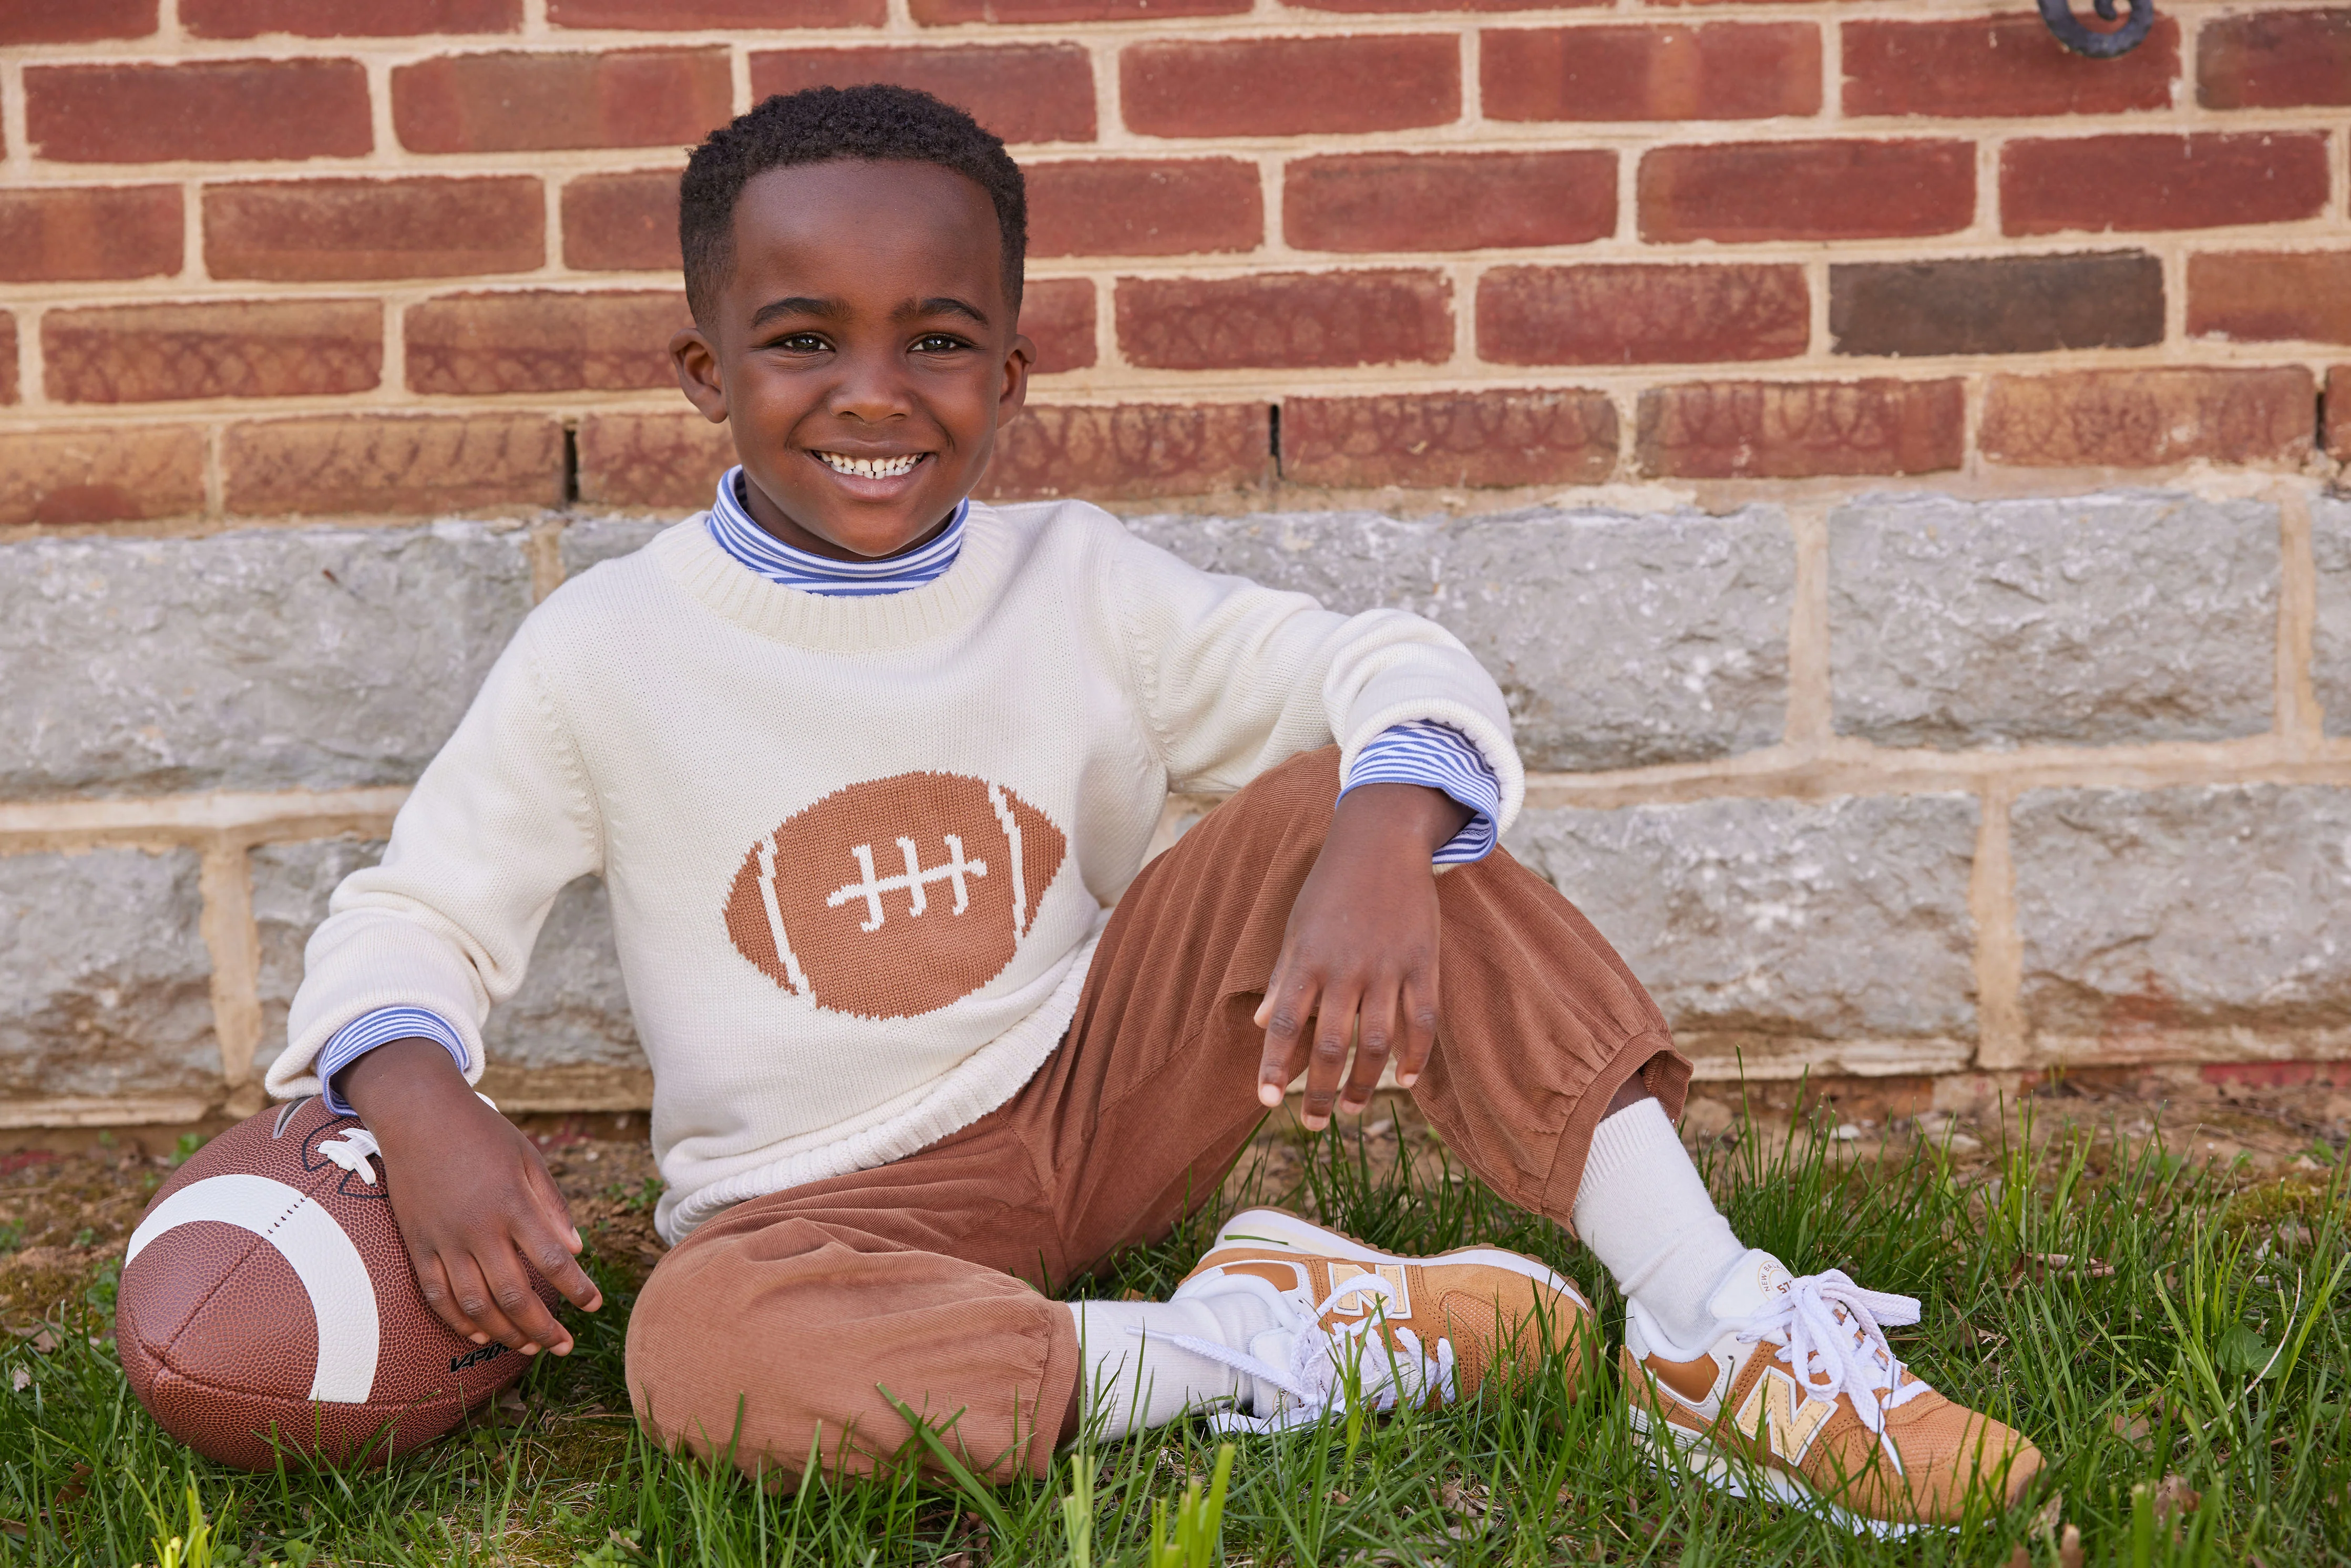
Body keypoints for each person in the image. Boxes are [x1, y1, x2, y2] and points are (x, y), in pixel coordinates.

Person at [267, 84, 2039, 1534]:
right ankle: (1249, 1344)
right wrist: (418, 1099)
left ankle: (1711, 1326)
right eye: (804, 338)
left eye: (940, 340)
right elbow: (414, 913)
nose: (875, 395)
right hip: (817, 1218)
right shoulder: (607, 647)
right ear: (701, 370)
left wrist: (1376, 833)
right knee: (699, 1348)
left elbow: (1397, 662)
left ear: (1014, 376)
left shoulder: (1079, 580)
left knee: (1395, 788)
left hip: (1092, 1098)